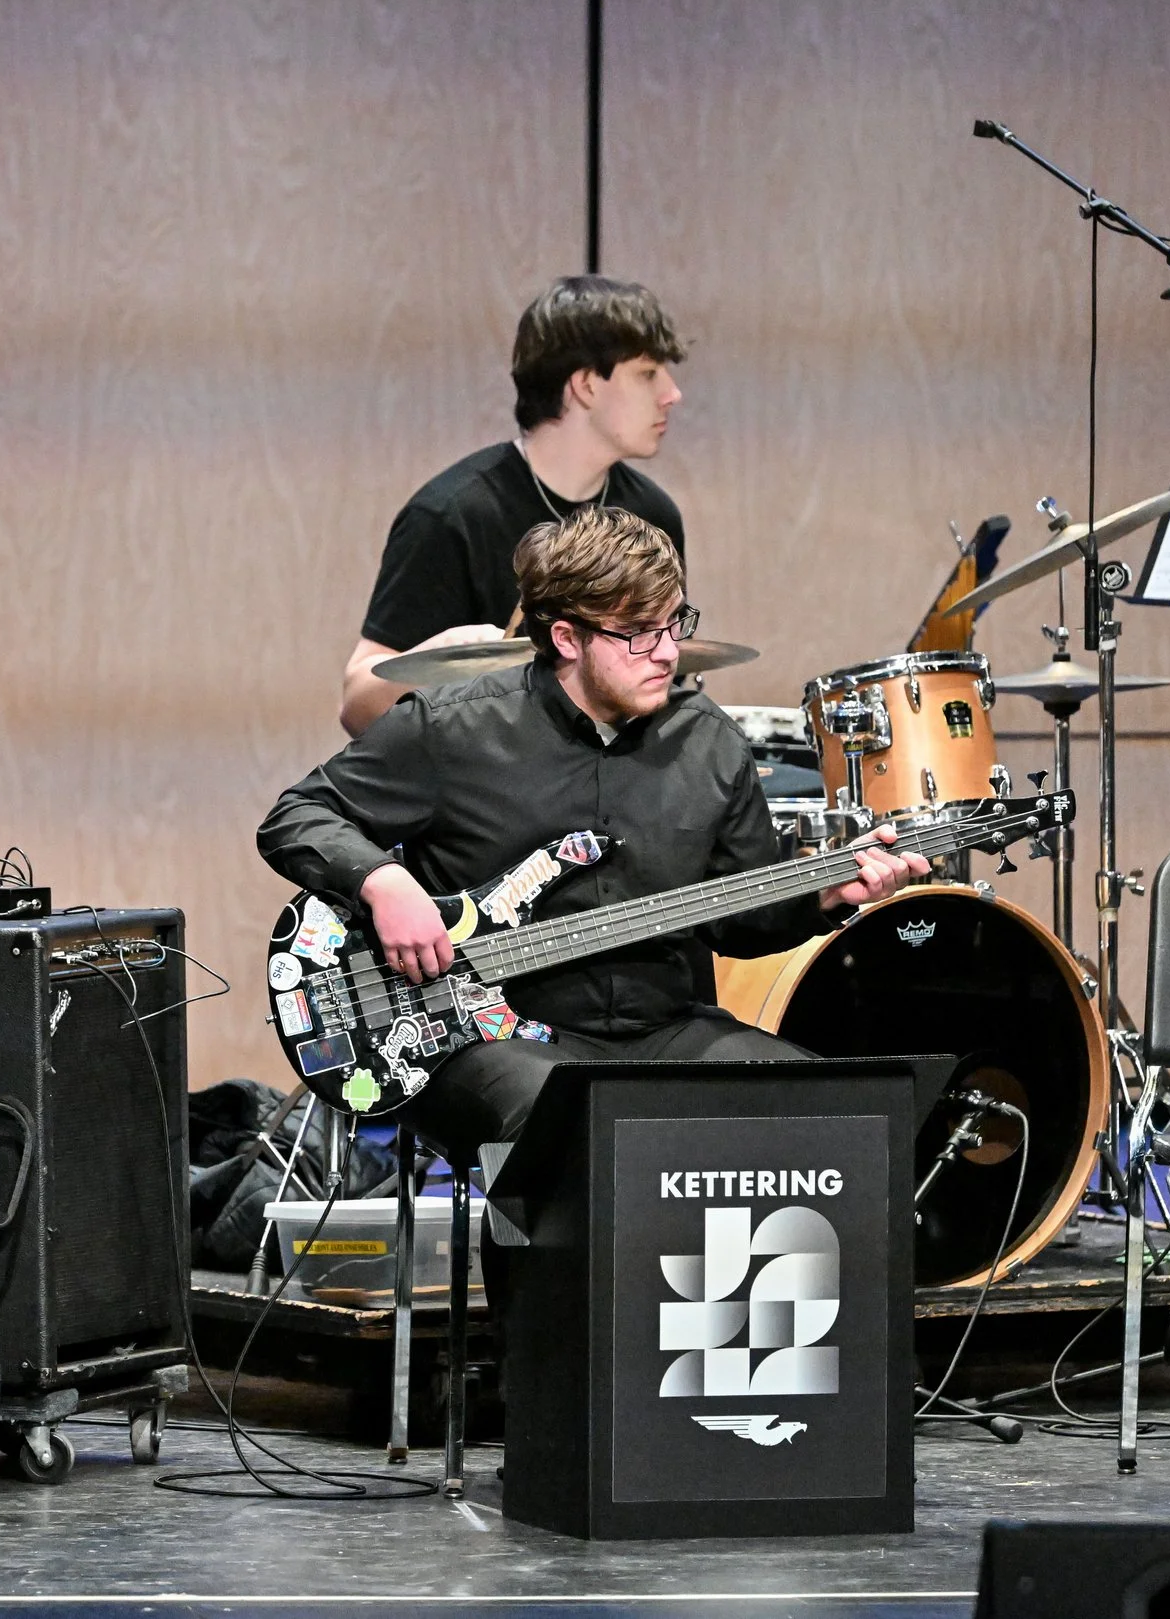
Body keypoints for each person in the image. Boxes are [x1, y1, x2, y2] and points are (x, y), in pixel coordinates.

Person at [263, 506, 932, 1164]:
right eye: (639, 633)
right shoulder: (454, 729)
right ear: (565, 637)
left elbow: (741, 922)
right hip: (489, 1034)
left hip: (664, 1029)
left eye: (675, 623)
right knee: (568, 1119)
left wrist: (825, 894)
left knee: (833, 1109)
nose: (668, 651)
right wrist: (385, 883)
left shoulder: (708, 741)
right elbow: (297, 815)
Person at [338, 275, 689, 737]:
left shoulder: (651, 514)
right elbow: (356, 706)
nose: (672, 393)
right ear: (585, 385)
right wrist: (439, 658)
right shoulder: (452, 515)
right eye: (648, 373)